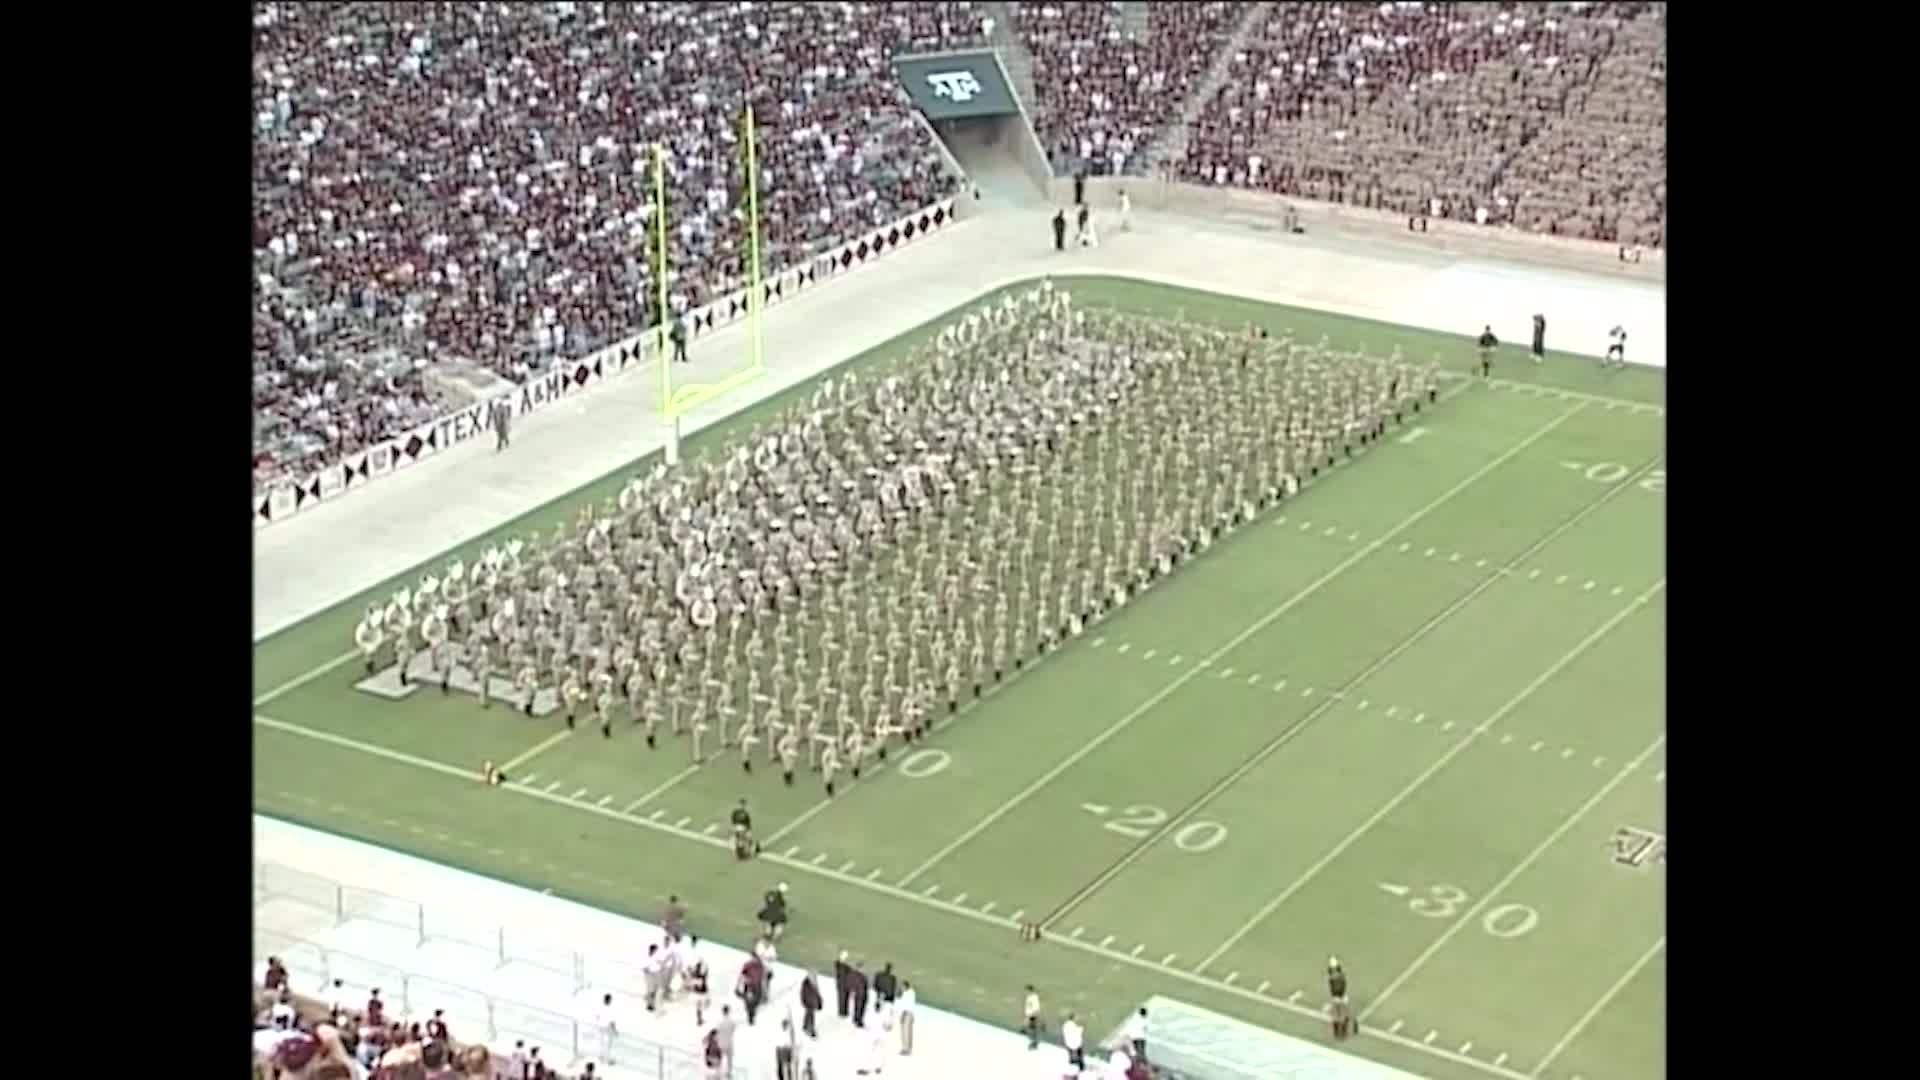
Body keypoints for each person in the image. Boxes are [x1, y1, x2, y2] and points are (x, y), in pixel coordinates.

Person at [800, 970, 823, 1038]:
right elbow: (802, 994)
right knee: (811, 1016)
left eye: (815, 976)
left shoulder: (814, 982)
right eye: (813, 975)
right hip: (808, 1003)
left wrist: (820, 1002)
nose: (815, 977)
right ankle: (811, 1030)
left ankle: (805, 1026)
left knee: (808, 1015)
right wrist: (804, 1002)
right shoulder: (805, 984)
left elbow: (817, 993)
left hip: (813, 1003)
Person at [896, 980, 917, 1055]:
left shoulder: (907, 994)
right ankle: (908, 1048)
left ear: (905, 986)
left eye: (902, 987)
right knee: (908, 1032)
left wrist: (902, 1015)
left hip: (906, 1014)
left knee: (905, 1032)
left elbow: (906, 1006)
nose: (901, 988)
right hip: (910, 1014)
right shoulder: (911, 992)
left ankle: (905, 1049)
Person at [1023, 985, 1041, 1050]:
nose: (1025, 992)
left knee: (1032, 1030)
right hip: (1030, 1015)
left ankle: (1034, 1043)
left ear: (1029, 990)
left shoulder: (1033, 997)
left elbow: (1036, 1008)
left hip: (1032, 1016)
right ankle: (1034, 1042)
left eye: (1026, 990)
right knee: (1031, 1029)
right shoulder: (1029, 997)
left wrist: (1030, 1016)